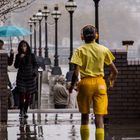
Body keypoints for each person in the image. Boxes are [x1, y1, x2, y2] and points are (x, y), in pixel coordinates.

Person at [69, 25, 118, 140]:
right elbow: (115, 71)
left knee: (84, 116)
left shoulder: (79, 51)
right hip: (100, 84)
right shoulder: (103, 49)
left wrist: (72, 86)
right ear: (96, 36)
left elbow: (75, 73)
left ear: (82, 37)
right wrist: (111, 80)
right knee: (99, 117)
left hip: (85, 84)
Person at [14, 40, 38, 118]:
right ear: (20, 48)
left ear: (27, 47)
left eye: (25, 46)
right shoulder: (18, 56)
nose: (23, 48)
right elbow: (16, 66)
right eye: (22, 46)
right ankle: (21, 111)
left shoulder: (31, 55)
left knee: (28, 96)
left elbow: (35, 65)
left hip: (30, 78)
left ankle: (25, 111)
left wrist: (34, 72)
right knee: (22, 94)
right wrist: (19, 59)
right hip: (21, 78)